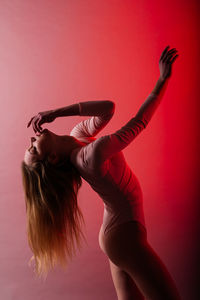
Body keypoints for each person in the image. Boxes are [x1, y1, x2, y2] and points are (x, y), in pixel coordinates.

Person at [21, 45, 181, 299]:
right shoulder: (90, 156)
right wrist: (162, 80)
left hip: (118, 233)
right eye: (33, 148)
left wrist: (55, 112)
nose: (31, 138)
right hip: (122, 236)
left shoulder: (79, 137)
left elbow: (108, 107)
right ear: (51, 157)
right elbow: (139, 123)